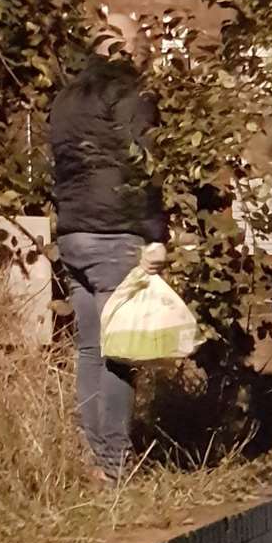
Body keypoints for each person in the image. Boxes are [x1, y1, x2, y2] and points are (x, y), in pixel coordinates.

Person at [49, 33, 169, 484]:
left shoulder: (65, 98)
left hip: (74, 234)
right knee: (119, 353)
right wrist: (155, 234)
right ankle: (115, 466)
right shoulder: (128, 92)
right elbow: (145, 162)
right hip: (115, 234)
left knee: (89, 349)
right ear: (128, 52)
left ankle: (91, 457)